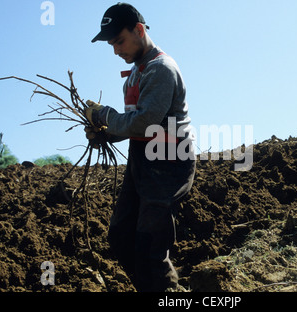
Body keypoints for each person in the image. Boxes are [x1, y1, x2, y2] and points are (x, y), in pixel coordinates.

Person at [86, 3, 196, 292]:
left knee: (149, 244)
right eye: (111, 44)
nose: (115, 51)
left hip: (168, 160)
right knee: (121, 236)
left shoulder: (161, 69)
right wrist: (105, 134)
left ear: (139, 30)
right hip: (143, 161)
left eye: (119, 41)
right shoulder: (135, 74)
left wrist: (104, 116)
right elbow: (133, 125)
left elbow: (145, 122)